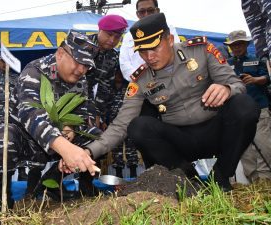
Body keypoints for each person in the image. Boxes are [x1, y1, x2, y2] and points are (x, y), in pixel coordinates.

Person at [79, 13, 260, 192]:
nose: (149, 57)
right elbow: (121, 125)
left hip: (216, 131)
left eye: (154, 48)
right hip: (179, 140)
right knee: (138, 127)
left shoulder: (201, 50)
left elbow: (237, 84)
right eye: (142, 51)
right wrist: (88, 151)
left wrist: (227, 89)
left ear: (170, 39)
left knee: (244, 106)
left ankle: (220, 176)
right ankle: (187, 179)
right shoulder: (140, 79)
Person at [0, 30, 101, 209]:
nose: (82, 70)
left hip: (56, 140)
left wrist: (70, 126)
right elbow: (30, 113)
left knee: (97, 137)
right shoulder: (35, 71)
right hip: (26, 139)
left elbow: (82, 112)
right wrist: (65, 147)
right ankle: (2, 203)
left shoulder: (81, 80)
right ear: (61, 54)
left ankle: (69, 185)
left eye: (86, 65)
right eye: (78, 62)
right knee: (2, 137)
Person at [224, 30, 271, 182]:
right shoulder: (225, 64)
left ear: (246, 44)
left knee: (264, 145)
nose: (236, 47)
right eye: (233, 45)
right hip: (238, 114)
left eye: (240, 44)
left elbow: (267, 78)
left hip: (260, 108)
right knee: (244, 149)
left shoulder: (257, 60)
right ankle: (254, 183)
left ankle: (266, 181)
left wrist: (255, 79)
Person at [119, 0, 180, 82]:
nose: (146, 14)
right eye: (142, 11)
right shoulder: (129, 36)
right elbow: (124, 63)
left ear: (157, 11)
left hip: (169, 78)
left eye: (150, 10)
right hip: (141, 83)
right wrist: (142, 80)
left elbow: (175, 53)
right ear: (137, 14)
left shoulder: (168, 28)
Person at [85, 14, 128, 128]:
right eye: (109, 34)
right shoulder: (82, 46)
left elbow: (105, 88)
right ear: (100, 30)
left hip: (88, 101)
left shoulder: (113, 56)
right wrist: (90, 112)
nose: (112, 40)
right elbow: (74, 82)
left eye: (117, 37)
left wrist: (99, 115)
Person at [107, 68, 139, 178]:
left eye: (121, 72)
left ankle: (133, 174)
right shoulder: (108, 88)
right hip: (114, 124)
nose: (119, 75)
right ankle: (118, 175)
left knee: (131, 148)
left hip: (129, 122)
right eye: (117, 72)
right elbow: (105, 106)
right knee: (116, 149)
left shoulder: (129, 86)